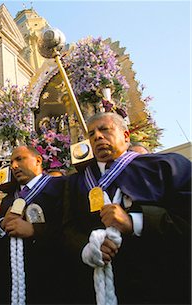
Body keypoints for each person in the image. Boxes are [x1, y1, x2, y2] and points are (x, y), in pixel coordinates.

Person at [63, 112, 191, 304]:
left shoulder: (166, 167)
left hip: (158, 285)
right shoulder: (75, 183)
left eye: (104, 129)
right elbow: (67, 227)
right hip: (93, 288)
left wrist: (136, 222)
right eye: (91, 134)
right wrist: (85, 249)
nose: (97, 136)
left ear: (125, 136)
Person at [0, 145, 65, 304]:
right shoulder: (8, 199)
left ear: (38, 160)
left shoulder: (60, 186)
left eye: (19, 159)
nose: (14, 166)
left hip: (50, 279)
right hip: (10, 283)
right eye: (11, 162)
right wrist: (2, 225)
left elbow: (69, 228)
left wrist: (34, 230)